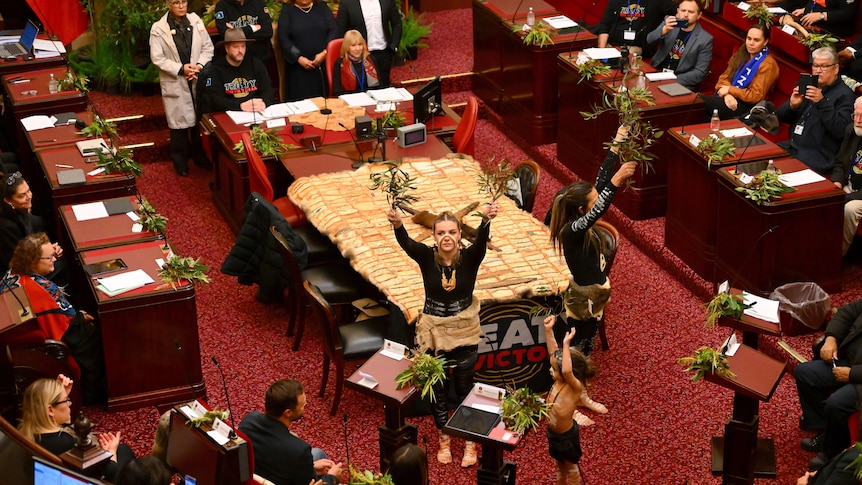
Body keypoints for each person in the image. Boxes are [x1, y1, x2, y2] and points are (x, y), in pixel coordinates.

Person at [386, 200, 500, 467]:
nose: (446, 237)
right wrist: (399, 225)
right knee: (438, 391)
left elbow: (482, 242)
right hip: (434, 334)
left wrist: (485, 220)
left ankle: (470, 442)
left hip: (464, 333)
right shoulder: (426, 256)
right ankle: (444, 439)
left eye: (452, 232)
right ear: (434, 237)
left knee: (464, 389)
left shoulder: (471, 258)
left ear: (460, 235)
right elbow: (407, 245)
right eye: (441, 233)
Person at [2, 233, 105, 403]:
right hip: (36, 342)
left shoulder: (12, 274)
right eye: (49, 258)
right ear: (32, 261)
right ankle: (92, 394)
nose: (54, 260)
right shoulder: (41, 289)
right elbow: (66, 324)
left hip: (17, 332)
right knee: (92, 335)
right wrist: (80, 317)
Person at [18, 375, 133, 482]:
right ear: (50, 410)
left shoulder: (25, 432)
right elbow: (106, 476)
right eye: (66, 400)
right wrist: (111, 452)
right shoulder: (65, 442)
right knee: (124, 451)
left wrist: (61, 394)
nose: (70, 403)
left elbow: (60, 425)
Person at [794, 298, 862, 471]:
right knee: (804, 373)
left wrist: (852, 374)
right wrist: (831, 338)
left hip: (859, 377)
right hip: (849, 360)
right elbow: (847, 313)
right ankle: (823, 430)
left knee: (836, 403)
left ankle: (830, 453)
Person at [150, 0, 214, 176]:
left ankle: (200, 157)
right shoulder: (158, 28)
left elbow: (208, 48)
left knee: (198, 122)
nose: (181, 5)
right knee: (178, 125)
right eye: (176, 2)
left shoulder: (196, 21)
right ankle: (180, 162)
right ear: (167, 4)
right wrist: (181, 69)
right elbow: (158, 58)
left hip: (196, 77)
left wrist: (198, 66)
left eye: (183, 1)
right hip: (176, 80)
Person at [238, 379, 342, 485]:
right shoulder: (299, 451)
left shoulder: (249, 420)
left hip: (255, 476)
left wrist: (310, 466)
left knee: (317, 453)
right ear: (288, 413)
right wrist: (332, 477)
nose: (305, 406)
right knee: (320, 454)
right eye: (303, 405)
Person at [777, 47, 854, 176]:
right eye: (815, 66)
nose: (818, 71)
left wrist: (822, 102)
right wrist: (792, 105)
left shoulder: (845, 95)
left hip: (817, 157)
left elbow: (841, 131)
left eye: (823, 66)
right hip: (792, 147)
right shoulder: (810, 85)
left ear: (835, 68)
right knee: (761, 161)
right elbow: (781, 117)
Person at [543, 319, 597, 485]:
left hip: (567, 437)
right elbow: (554, 354)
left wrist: (566, 344)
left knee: (571, 468)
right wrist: (548, 330)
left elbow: (565, 369)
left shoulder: (574, 387)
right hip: (553, 434)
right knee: (559, 464)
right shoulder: (559, 381)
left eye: (553, 369)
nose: (550, 370)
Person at [702, 24, 778, 120]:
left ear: (765, 42)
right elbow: (724, 77)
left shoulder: (768, 64)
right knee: (697, 101)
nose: (751, 43)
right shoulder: (742, 54)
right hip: (729, 98)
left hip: (746, 106)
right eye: (749, 38)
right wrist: (727, 94)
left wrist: (730, 90)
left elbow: (755, 96)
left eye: (756, 40)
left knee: (699, 102)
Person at [197, 28, 274, 115]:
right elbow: (216, 100)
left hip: (256, 113)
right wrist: (240, 106)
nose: (240, 51)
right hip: (229, 114)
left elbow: (268, 91)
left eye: (243, 46)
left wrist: (263, 102)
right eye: (235, 47)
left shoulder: (256, 64)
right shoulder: (215, 69)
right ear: (227, 48)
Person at [645, 0, 713, 91]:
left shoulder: (705, 39)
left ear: (699, 15)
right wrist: (663, 30)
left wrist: (671, 79)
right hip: (656, 73)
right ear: (678, 11)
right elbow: (649, 40)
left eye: (691, 12)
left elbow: (699, 72)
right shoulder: (669, 23)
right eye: (683, 10)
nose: (685, 15)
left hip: (679, 82)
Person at [277, 0, 337, 101]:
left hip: (322, 65)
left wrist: (325, 52)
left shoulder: (322, 7)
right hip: (298, 70)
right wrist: (298, 57)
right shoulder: (287, 10)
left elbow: (333, 30)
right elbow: (283, 38)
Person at [335, 0, 401, 87]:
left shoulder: (387, 1)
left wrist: (393, 46)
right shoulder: (347, 3)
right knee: (362, 89)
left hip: (384, 53)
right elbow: (340, 30)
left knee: (384, 89)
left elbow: (397, 23)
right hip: (360, 56)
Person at [0, 171, 56, 273]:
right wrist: (46, 256)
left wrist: (48, 250)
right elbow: (17, 264)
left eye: (28, 191)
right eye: (22, 196)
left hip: (29, 258)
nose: (29, 196)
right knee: (62, 266)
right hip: (19, 274)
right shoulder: (6, 228)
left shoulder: (18, 209)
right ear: (8, 201)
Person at [830, 96, 862, 256]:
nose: (858, 120)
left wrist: (844, 198)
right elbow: (840, 162)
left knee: (850, 209)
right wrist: (835, 184)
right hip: (848, 185)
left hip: (860, 196)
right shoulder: (852, 130)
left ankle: (836, 256)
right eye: (855, 115)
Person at [595, 0, 677, 56]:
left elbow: (680, 9)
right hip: (613, 46)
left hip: (639, 49)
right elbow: (604, 25)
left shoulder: (658, 1)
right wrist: (602, 51)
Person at [331, 30, 379, 96]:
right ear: (347, 47)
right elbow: (337, 92)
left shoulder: (371, 60)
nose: (357, 48)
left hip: (371, 98)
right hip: (350, 100)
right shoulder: (340, 64)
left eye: (360, 44)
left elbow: (380, 87)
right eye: (353, 45)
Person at [782, 0, 856, 37]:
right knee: (786, 24)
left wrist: (821, 16)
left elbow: (847, 13)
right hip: (810, 18)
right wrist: (805, 9)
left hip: (834, 26)